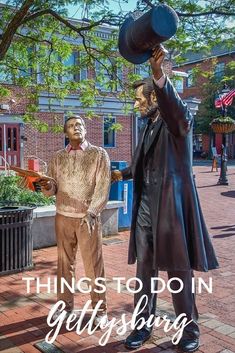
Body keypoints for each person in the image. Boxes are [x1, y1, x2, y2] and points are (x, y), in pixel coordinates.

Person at [112, 46, 219, 352]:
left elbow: (176, 111)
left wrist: (159, 77)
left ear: (155, 98)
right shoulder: (147, 128)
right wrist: (116, 174)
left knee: (178, 275)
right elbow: (138, 165)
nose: (135, 104)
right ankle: (141, 328)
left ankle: (189, 332)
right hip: (145, 211)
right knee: (144, 274)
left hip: (171, 213)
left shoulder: (179, 121)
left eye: (139, 99)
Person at [39, 115, 110, 325]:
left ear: (86, 129)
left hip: (87, 217)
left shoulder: (99, 154)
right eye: (71, 126)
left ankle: (100, 311)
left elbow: (103, 186)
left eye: (79, 124)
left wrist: (92, 212)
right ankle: (65, 307)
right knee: (64, 265)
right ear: (65, 133)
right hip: (63, 217)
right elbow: (52, 188)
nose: (76, 128)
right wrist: (45, 186)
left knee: (93, 266)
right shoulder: (58, 157)